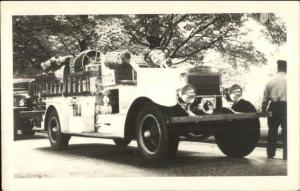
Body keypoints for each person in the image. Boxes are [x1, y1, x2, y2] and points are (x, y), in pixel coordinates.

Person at [262, 60, 287, 160]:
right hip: (285, 107)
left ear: (278, 68)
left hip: (273, 106)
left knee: (272, 130)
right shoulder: (290, 79)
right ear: (286, 68)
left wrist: (264, 108)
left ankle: (270, 154)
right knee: (286, 131)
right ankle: (286, 155)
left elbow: (265, 96)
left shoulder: (271, 80)